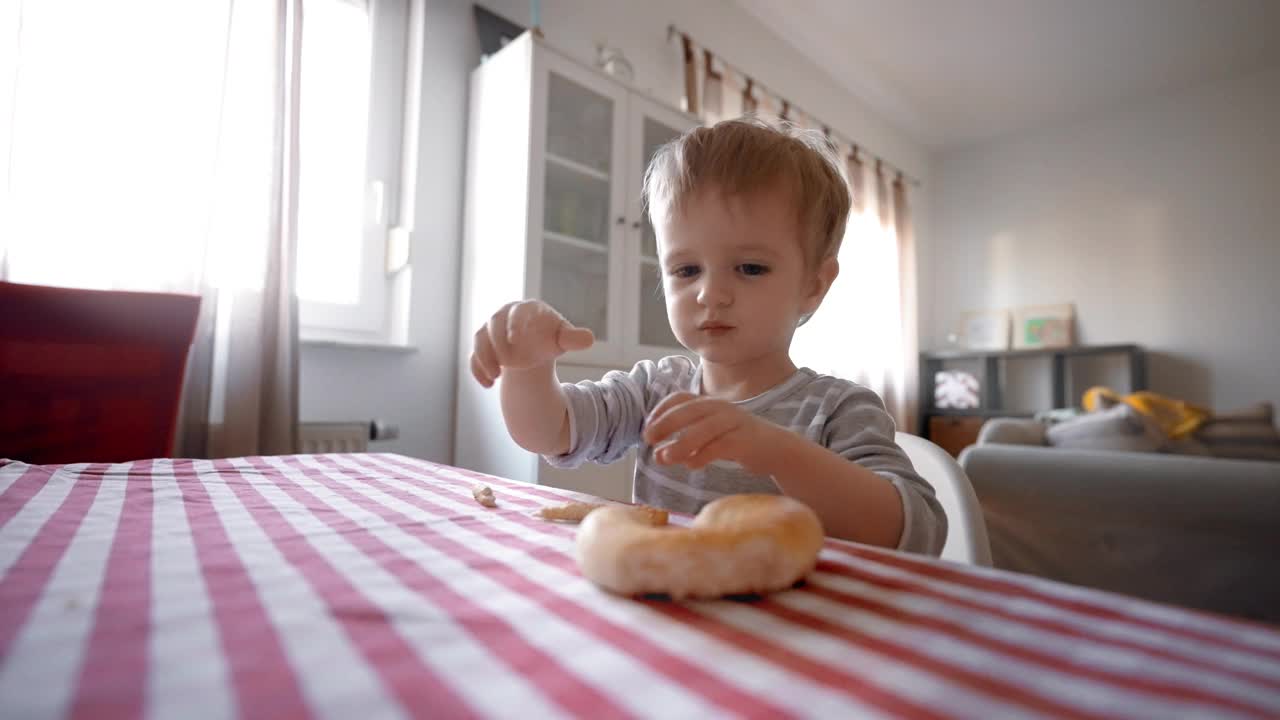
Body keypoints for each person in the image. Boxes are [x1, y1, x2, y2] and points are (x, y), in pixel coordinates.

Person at [469, 117, 946, 554]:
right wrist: (528, 370)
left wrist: (777, 450)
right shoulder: (655, 390)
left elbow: (913, 531)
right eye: (686, 269)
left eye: (750, 267)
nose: (710, 294)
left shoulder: (838, 410)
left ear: (812, 285)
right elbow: (551, 431)